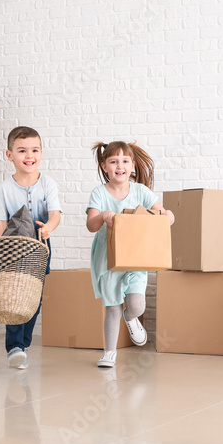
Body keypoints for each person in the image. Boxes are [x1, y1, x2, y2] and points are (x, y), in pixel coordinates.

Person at [85, 141, 174, 368]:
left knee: (136, 304)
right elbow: (91, 225)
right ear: (105, 167)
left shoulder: (140, 191)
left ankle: (131, 317)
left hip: (136, 256)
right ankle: (109, 352)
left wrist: (167, 215)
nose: (119, 166)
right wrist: (103, 215)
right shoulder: (99, 193)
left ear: (132, 165)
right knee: (113, 307)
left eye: (125, 161)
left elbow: (160, 212)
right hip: (108, 258)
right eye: (113, 161)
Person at [0, 126, 61, 370]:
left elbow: (55, 215)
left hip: (40, 245)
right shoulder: (4, 188)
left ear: (41, 152)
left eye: (34, 150)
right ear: (9, 155)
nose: (29, 156)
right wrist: (1, 250)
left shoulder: (48, 184)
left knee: (34, 298)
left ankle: (24, 344)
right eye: (22, 151)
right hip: (12, 247)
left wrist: (49, 227)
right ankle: (14, 347)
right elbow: (1, 222)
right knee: (14, 298)